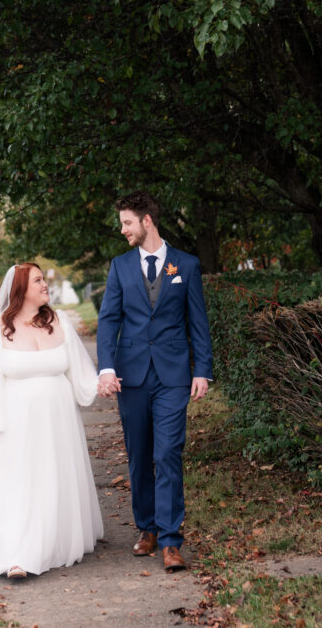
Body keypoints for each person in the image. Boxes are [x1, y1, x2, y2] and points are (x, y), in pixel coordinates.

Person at [96, 191, 214, 572]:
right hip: (130, 375)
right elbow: (109, 320)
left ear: (147, 221)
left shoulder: (186, 265)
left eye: (127, 223)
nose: (123, 230)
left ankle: (170, 540)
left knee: (167, 454)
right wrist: (106, 367)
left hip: (172, 376)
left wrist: (202, 369)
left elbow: (198, 322)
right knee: (139, 456)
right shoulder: (120, 266)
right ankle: (146, 528)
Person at [0, 263, 103, 579]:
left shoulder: (59, 321)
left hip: (59, 420)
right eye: (38, 280)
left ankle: (54, 539)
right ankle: (17, 556)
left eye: (44, 279)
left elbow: (81, 371)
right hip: (17, 421)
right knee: (21, 482)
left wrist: (102, 383)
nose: (45, 284)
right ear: (21, 289)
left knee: (53, 477)